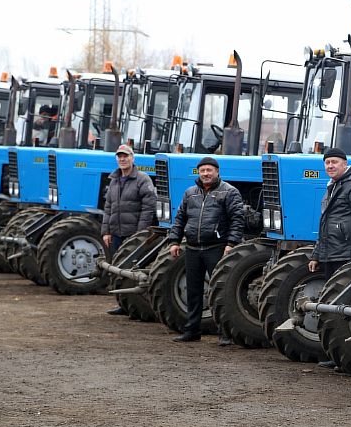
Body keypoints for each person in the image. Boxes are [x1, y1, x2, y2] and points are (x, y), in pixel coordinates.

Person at [307, 147, 351, 369]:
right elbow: (324, 224)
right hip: (331, 253)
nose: (330, 166)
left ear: (345, 164)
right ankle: (335, 354)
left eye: (334, 162)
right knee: (332, 306)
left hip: (346, 253)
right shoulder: (333, 186)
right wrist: (316, 254)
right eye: (327, 163)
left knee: (345, 308)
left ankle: (346, 357)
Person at [168, 156, 244, 344]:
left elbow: (237, 219)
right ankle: (192, 330)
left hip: (216, 248)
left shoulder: (229, 192)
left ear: (217, 171)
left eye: (209, 170)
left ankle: (225, 333)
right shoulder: (190, 193)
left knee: (220, 291)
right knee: (193, 291)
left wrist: (231, 243)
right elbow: (180, 219)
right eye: (202, 170)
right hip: (192, 248)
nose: (205, 173)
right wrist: (174, 241)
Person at [101, 143, 157, 316]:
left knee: (132, 270)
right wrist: (106, 231)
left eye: (126, 156)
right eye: (119, 156)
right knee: (118, 269)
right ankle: (123, 304)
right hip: (116, 233)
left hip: (133, 233)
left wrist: (140, 233)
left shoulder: (142, 179)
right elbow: (108, 207)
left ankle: (135, 306)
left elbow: (148, 208)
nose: (122, 159)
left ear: (133, 158)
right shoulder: (114, 180)